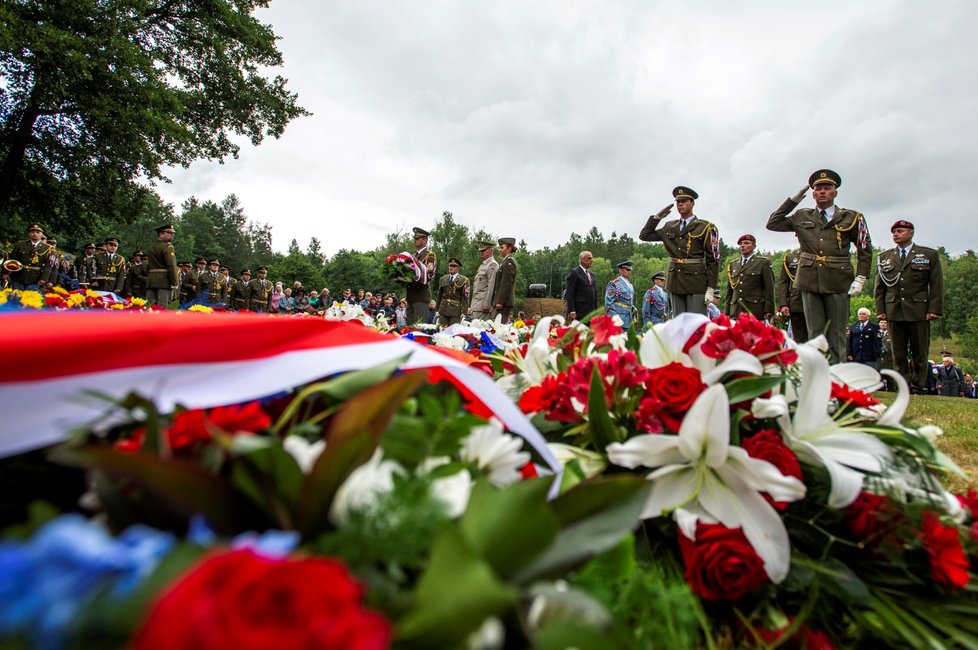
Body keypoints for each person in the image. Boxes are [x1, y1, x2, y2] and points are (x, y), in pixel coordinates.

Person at [767, 169, 872, 364]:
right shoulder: (801, 215)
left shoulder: (852, 217)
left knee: (837, 334)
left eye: (827, 188)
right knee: (815, 334)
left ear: (835, 192)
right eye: (818, 189)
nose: (822, 192)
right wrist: (793, 200)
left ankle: (837, 377)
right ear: (813, 194)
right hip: (809, 279)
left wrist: (862, 276)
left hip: (838, 279)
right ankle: (816, 375)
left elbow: (865, 249)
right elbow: (773, 223)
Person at [874, 219, 943, 393]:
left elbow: (935, 284)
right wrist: (881, 311)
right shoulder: (885, 257)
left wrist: (934, 309)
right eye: (894, 232)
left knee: (920, 351)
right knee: (898, 352)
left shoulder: (928, 255)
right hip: (893, 309)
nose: (895, 234)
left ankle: (918, 385)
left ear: (910, 233)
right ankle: (903, 385)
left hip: (918, 309)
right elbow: (880, 287)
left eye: (900, 231)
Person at [639, 186, 721, 317]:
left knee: (696, 323)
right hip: (676, 281)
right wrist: (657, 217)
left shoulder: (705, 227)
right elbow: (645, 235)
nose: (680, 204)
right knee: (679, 323)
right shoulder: (669, 226)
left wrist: (711, 288)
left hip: (696, 281)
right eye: (678, 201)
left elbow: (713, 260)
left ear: (692, 203)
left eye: (684, 201)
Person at [723, 234, 775, 320]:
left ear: (754, 246)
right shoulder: (733, 264)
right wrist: (727, 311)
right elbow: (729, 291)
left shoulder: (763, 263)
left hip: (754, 310)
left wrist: (769, 309)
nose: (743, 245)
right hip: (735, 311)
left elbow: (769, 288)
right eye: (741, 244)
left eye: (747, 243)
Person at [3, 223, 57, 290]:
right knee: (15, 297)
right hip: (18, 276)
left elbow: (49, 266)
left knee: (29, 299)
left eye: (38, 232)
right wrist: (5, 273)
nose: (35, 234)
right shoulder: (20, 244)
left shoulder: (48, 248)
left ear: (42, 234)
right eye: (32, 232)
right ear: (29, 234)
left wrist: (44, 278)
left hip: (35, 279)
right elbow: (10, 259)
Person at [776, 248, 808, 343]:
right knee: (799, 339)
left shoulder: (819, 253)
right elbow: (784, 282)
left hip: (817, 302)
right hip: (797, 303)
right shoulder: (790, 257)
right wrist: (783, 304)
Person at [406, 227, 436, 325]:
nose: (415, 240)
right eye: (414, 238)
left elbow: (430, 274)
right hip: (411, 296)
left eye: (417, 238)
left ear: (425, 240)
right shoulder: (412, 256)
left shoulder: (429, 256)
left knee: (418, 327)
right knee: (408, 329)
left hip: (421, 295)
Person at [145, 224, 179, 306]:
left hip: (151, 280)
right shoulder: (168, 247)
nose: (172, 235)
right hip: (164, 281)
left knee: (149, 306)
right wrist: (175, 282)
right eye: (170, 233)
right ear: (161, 234)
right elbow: (171, 265)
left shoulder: (152, 247)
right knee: (162, 307)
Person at [564, 250, 598, 322]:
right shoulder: (575, 273)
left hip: (591, 314)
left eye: (592, 258)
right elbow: (569, 293)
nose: (592, 260)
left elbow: (595, 294)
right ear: (582, 260)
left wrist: (596, 312)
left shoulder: (592, 275)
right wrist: (572, 311)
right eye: (589, 258)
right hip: (579, 313)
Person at [469, 241, 499, 320]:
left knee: (480, 330)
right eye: (480, 251)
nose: (481, 253)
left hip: (483, 306)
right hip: (476, 305)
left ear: (490, 250)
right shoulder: (483, 265)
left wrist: (487, 304)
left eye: (483, 250)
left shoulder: (493, 265)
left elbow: (491, 286)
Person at [490, 237, 518, 322]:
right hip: (502, 302)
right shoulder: (505, 262)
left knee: (498, 328)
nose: (500, 250)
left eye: (502, 247)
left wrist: (500, 301)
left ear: (509, 248)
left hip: (504, 303)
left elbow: (506, 283)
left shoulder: (509, 262)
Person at [436, 257, 470, 326]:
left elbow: (465, 298)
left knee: (453, 331)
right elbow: (439, 295)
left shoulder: (464, 280)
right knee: (442, 330)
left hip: (455, 311)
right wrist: (437, 310)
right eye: (450, 266)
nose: (451, 268)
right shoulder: (443, 279)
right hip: (443, 309)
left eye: (454, 266)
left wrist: (464, 312)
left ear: (458, 268)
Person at [605, 260, 636, 328]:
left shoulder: (630, 285)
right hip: (619, 317)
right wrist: (615, 318)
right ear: (620, 270)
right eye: (627, 269)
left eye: (630, 270)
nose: (629, 271)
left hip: (629, 318)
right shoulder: (614, 284)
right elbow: (609, 303)